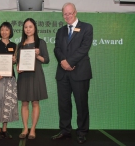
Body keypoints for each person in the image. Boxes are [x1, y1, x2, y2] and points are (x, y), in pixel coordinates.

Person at [51, 3, 93, 144]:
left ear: (75, 12)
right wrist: (63, 61)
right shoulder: (60, 31)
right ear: (63, 15)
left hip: (80, 72)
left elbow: (84, 48)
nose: (67, 16)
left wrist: (69, 62)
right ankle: (65, 130)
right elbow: (57, 49)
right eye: (65, 14)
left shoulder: (87, 27)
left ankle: (82, 132)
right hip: (62, 73)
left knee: (81, 103)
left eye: (70, 13)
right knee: (63, 104)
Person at [16, 18, 50, 140]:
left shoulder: (41, 42)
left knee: (35, 102)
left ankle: (33, 129)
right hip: (24, 76)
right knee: (24, 103)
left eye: (30, 27)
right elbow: (18, 61)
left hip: (36, 75)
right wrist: (18, 68)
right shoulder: (20, 44)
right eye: (26, 27)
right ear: (23, 29)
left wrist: (38, 55)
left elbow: (46, 60)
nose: (28, 29)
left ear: (35, 28)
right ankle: (25, 128)